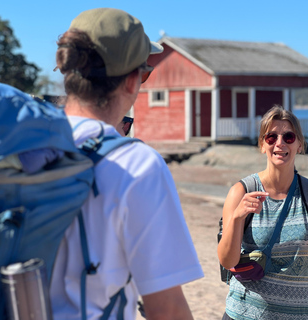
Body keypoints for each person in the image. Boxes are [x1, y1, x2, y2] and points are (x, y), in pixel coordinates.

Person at [50, 8, 204, 320]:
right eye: (145, 73)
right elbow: (167, 308)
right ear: (133, 81)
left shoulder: (26, 145)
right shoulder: (137, 165)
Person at [217, 106, 308, 320]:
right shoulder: (241, 192)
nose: (280, 143)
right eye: (271, 137)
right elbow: (226, 260)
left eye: (288, 137)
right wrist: (237, 218)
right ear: (262, 145)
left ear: (299, 145)